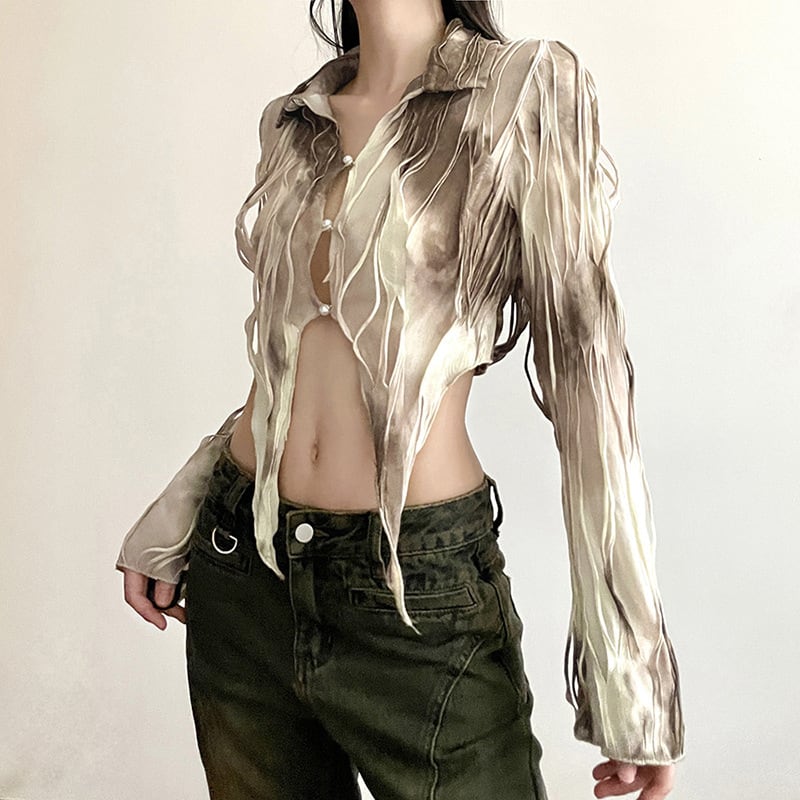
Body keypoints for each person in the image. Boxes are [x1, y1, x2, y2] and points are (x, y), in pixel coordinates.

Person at [116, 1, 686, 798]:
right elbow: (284, 370)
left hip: (416, 589)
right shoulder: (295, 119)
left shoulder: (523, 90)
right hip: (243, 572)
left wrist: (633, 683)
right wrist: (181, 506)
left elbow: (588, 379)